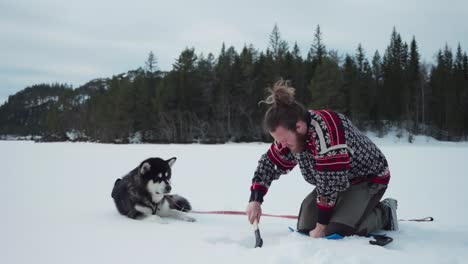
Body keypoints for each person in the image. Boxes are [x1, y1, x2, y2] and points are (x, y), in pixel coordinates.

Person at [246, 80, 398, 238]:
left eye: (284, 139)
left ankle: (384, 212)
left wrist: (321, 226)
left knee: (339, 232)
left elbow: (330, 183)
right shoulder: (293, 137)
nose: (282, 145)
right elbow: (269, 164)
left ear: (298, 126)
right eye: (278, 140)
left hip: (368, 179)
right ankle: (345, 211)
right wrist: (255, 199)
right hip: (335, 182)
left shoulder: (328, 132)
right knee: (305, 227)